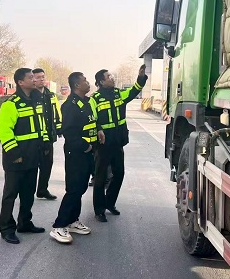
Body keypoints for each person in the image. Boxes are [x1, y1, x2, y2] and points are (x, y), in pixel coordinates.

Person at [50, 72, 105, 244]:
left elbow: (93, 119)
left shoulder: (88, 102)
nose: (88, 83)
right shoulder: (70, 106)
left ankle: (73, 220)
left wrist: (99, 130)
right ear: (77, 85)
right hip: (77, 153)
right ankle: (59, 226)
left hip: (89, 152)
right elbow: (69, 132)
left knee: (81, 187)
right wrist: (85, 146)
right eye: (85, 81)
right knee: (74, 189)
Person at [0, 68, 51, 244]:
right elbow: (4, 132)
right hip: (16, 159)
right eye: (30, 78)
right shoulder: (11, 104)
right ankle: (7, 229)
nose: (34, 80)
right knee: (10, 195)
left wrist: (45, 145)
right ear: (21, 82)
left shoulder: (37, 101)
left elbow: (42, 127)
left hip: (33, 157)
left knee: (28, 194)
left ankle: (25, 223)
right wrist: (15, 154)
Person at [89, 65, 147, 222]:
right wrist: (99, 129)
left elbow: (134, 90)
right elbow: (92, 119)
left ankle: (110, 203)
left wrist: (141, 77)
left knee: (119, 173)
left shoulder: (118, 94)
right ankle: (99, 210)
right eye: (109, 76)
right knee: (100, 177)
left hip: (118, 141)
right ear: (101, 82)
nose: (112, 78)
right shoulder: (95, 99)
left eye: (111, 76)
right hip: (103, 144)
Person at [32, 68, 62, 200]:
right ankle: (28, 192)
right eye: (38, 77)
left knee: (47, 165)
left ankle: (42, 190)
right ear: (33, 79)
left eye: (43, 76)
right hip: (35, 138)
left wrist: (59, 128)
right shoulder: (30, 96)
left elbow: (57, 112)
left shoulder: (51, 95)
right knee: (33, 167)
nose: (41, 79)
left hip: (49, 136)